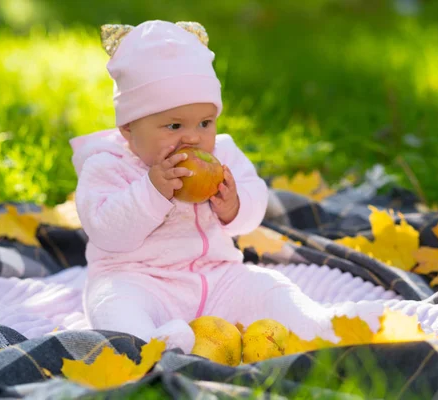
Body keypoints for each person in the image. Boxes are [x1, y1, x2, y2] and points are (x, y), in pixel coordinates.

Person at [69, 20, 337, 353]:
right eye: (174, 125)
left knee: (269, 285)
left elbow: (255, 206)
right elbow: (107, 232)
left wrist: (234, 205)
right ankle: (153, 346)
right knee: (112, 304)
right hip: (139, 279)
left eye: (205, 123)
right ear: (128, 129)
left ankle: (316, 326)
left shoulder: (221, 154)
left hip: (215, 278)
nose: (193, 137)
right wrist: (151, 192)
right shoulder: (107, 165)